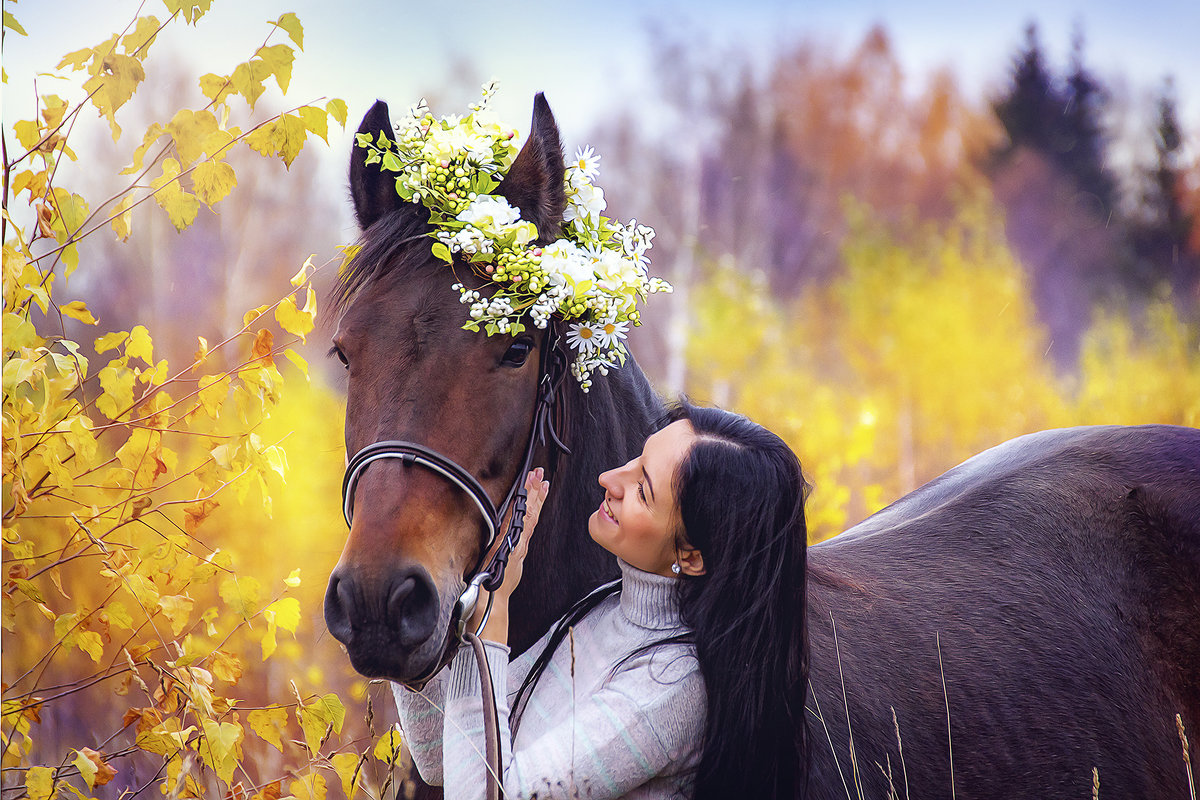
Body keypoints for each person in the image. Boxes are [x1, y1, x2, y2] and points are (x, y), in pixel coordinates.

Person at [392, 402, 810, 799]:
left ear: (692, 556)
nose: (610, 479)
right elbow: (438, 759)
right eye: (635, 459)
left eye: (642, 490)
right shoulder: (605, 608)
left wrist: (492, 615)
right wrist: (399, 572)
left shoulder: (669, 686)